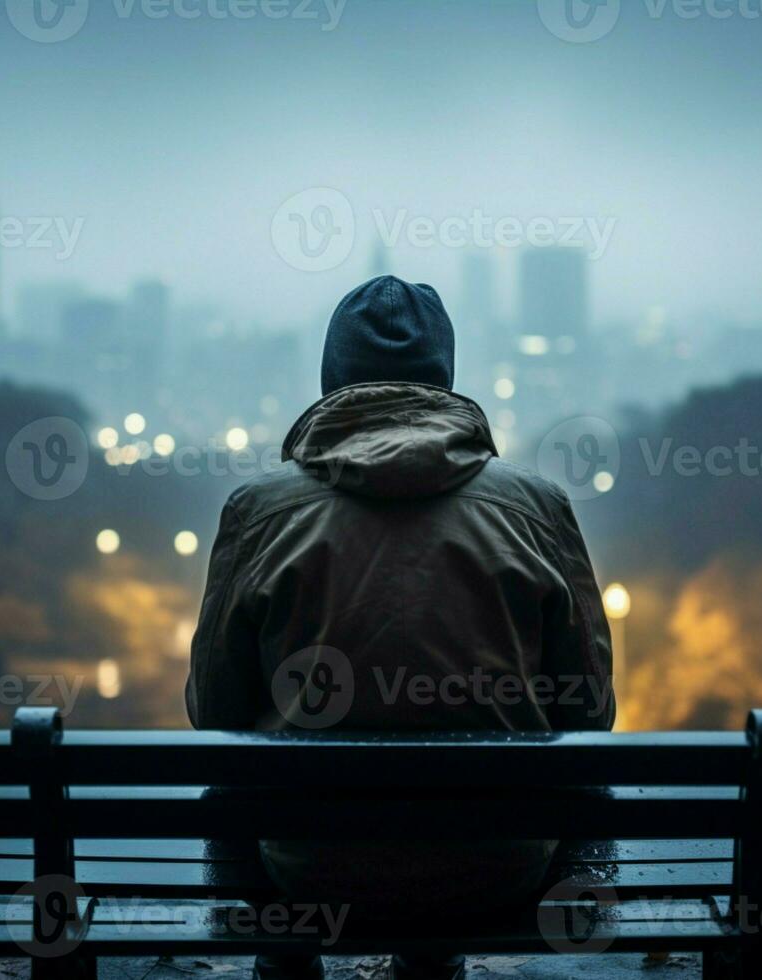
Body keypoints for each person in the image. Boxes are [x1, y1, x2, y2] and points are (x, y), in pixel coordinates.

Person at [187, 275, 615, 980]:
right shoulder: (535, 508)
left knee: (234, 790)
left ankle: (288, 964)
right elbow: (590, 711)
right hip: (498, 862)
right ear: (443, 379)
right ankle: (431, 958)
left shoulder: (259, 513)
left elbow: (215, 713)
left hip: (307, 867)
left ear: (332, 380)